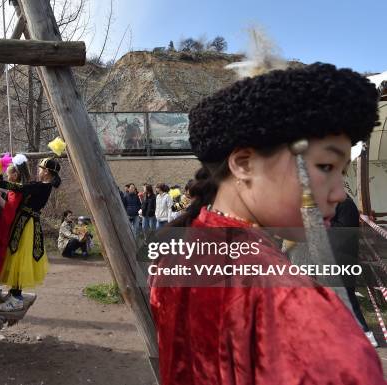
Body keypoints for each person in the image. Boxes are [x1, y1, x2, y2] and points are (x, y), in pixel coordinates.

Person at [150, 63, 383, 384]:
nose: (340, 195)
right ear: (244, 164)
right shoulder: (298, 311)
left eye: (341, 171)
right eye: (326, 166)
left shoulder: (176, 253)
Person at [0, 157, 62, 312]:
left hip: (26, 224)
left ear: (46, 172)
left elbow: (18, 188)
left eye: (40, 168)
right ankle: (14, 293)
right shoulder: (42, 186)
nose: (38, 170)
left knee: (19, 257)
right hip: (26, 221)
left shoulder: (41, 186)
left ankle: (16, 299)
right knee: (17, 257)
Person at [330, 194, 378, 347]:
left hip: (343, 258)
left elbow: (345, 231)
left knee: (347, 296)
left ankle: (366, 334)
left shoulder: (345, 204)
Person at [0, 154, 30, 274]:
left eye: (8, 175)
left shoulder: (17, 189)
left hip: (6, 222)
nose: (7, 177)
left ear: (15, 175)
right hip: (9, 219)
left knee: (0, 248)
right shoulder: (21, 187)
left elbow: (10, 208)